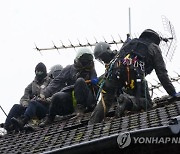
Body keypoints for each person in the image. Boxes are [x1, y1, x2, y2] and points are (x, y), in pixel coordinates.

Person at [89, 29, 177, 124]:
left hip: (114, 71)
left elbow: (116, 60)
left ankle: (92, 124)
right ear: (155, 40)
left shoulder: (130, 43)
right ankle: (128, 101)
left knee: (106, 100)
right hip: (134, 74)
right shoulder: (154, 47)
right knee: (148, 104)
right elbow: (162, 73)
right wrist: (172, 93)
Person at [39, 47, 98, 127]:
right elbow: (57, 82)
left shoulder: (91, 71)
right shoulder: (69, 69)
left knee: (80, 81)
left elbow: (96, 85)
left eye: (88, 61)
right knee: (56, 96)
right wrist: (44, 93)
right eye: (84, 61)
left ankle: (80, 111)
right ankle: (50, 117)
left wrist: (93, 81)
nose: (86, 63)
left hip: (87, 100)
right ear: (78, 59)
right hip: (71, 99)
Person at [3, 62, 52, 132]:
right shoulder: (32, 85)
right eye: (37, 71)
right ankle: (6, 127)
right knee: (16, 107)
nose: (38, 73)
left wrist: (45, 100)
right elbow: (24, 98)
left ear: (44, 72)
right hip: (31, 108)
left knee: (33, 103)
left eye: (41, 72)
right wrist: (25, 104)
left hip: (45, 109)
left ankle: (23, 121)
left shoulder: (51, 82)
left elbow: (54, 96)